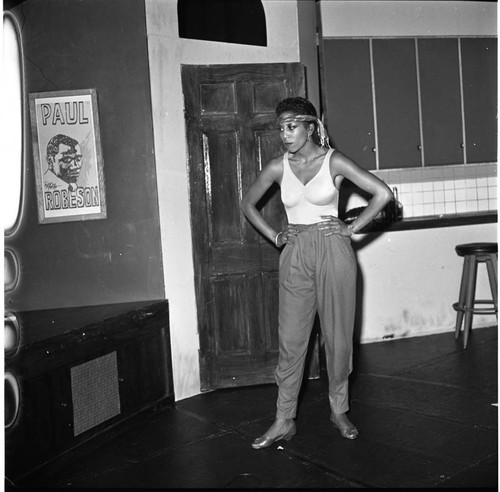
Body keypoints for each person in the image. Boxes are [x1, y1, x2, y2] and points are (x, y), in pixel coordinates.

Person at [241, 97, 393, 449]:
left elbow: (382, 194)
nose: (284, 133)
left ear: (311, 126)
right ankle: (283, 420)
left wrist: (350, 227)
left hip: (333, 251)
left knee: (338, 338)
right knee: (291, 341)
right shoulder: (279, 167)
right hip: (295, 253)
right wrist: (276, 235)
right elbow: (248, 204)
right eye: (280, 127)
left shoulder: (333, 161)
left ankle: (339, 410)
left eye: (291, 125)